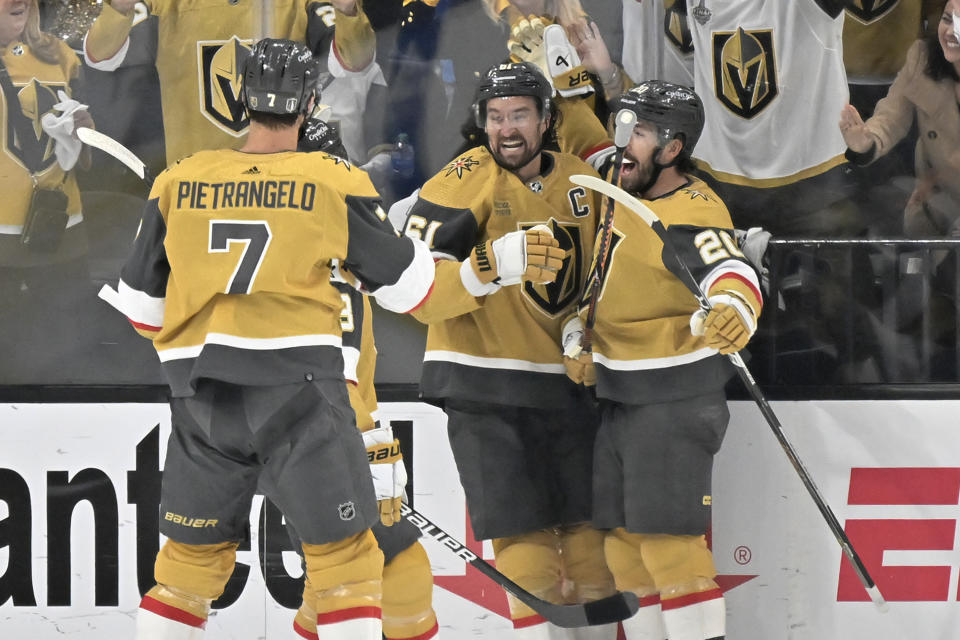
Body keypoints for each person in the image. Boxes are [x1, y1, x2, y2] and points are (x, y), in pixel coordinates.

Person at [108, 39, 436, 640]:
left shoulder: (178, 180)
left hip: (199, 399)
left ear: (239, 101)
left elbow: (141, 312)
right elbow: (411, 290)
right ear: (309, 104)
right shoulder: (330, 178)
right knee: (346, 568)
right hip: (300, 394)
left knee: (185, 572)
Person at [401, 61, 619, 640]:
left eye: (520, 114)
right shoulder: (462, 178)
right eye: (495, 117)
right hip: (484, 387)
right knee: (524, 544)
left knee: (590, 539)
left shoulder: (582, 182)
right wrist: (488, 266)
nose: (507, 128)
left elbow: (605, 279)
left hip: (568, 386)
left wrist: (583, 329)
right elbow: (417, 297)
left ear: (547, 119)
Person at [562, 82, 762, 640]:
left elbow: (730, 270)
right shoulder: (621, 181)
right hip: (622, 398)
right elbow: (586, 140)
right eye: (623, 127)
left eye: (640, 133)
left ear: (673, 148)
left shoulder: (691, 208)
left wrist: (733, 310)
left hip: (673, 401)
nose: (623, 143)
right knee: (623, 550)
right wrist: (581, 335)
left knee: (670, 552)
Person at [279, 117, 441, 640]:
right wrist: (365, 443)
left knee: (331, 583)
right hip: (323, 436)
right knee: (396, 573)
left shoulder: (280, 234)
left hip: (283, 432)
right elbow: (333, 365)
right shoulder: (329, 258)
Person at [82, 0, 379, 165]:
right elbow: (101, 56)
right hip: (197, 186)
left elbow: (354, 63)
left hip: (278, 182)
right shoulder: (165, 5)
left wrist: (347, 11)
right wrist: (119, 8)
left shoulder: (299, 3)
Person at [0, 0, 99, 383]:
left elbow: (89, 162)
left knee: (68, 363)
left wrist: (85, 132)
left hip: (61, 235)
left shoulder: (59, 53)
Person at [839, 0, 960, 238]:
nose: (951, 32)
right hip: (936, 200)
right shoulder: (922, 57)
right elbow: (891, 116)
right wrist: (866, 140)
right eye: (947, 19)